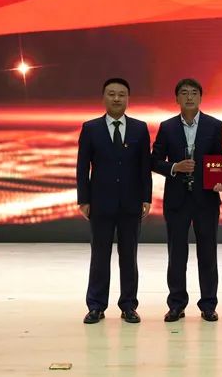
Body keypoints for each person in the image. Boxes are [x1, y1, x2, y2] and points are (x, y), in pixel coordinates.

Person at [76, 78, 152, 324]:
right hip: (100, 203)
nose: (117, 98)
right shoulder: (90, 128)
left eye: (121, 94)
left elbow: (144, 167)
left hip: (131, 203)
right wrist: (83, 199)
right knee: (99, 256)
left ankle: (129, 305)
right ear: (103, 97)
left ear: (128, 98)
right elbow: (82, 166)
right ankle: (96, 306)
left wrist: (146, 197)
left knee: (129, 256)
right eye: (112, 94)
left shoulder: (139, 128)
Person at [151, 78, 222, 322]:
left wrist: (220, 181)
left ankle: (208, 305)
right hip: (177, 200)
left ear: (201, 97)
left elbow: (217, 159)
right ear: (177, 98)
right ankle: (176, 304)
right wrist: (175, 167)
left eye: (194, 93)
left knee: (208, 254)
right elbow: (154, 161)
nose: (189, 97)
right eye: (184, 93)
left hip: (206, 199)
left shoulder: (214, 125)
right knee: (176, 255)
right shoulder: (167, 127)